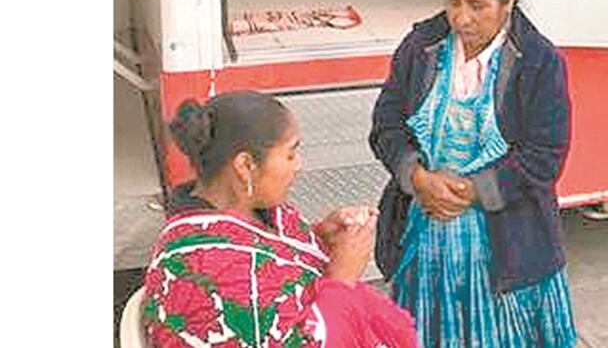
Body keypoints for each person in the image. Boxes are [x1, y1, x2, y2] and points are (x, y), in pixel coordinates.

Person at [370, 0, 577, 347]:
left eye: (477, 6)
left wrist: (471, 191)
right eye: (453, 3)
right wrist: (417, 177)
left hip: (507, 249)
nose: (462, 18)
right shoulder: (420, 48)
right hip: (426, 239)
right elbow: (386, 124)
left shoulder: (538, 61)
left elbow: (545, 156)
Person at [142, 91, 418, 348]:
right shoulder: (209, 268)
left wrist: (319, 237)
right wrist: (341, 278)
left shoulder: (248, 212)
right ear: (246, 166)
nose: (298, 165)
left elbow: (271, 259)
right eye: (290, 153)